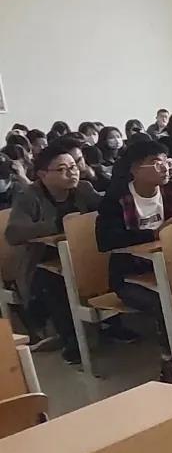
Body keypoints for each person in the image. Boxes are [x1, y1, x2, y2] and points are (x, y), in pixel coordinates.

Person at [95, 139, 172, 381]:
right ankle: (169, 361)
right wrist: (154, 234)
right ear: (135, 169)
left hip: (171, 268)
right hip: (130, 276)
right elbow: (106, 240)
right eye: (156, 163)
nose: (165, 168)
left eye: (167, 162)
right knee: (163, 302)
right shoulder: (116, 199)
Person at [5, 145, 102, 363]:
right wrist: (55, 225)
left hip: (82, 255)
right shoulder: (29, 196)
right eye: (62, 169)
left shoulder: (84, 188)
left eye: (74, 166)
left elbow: (105, 210)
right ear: (42, 175)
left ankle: (110, 327)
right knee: (54, 282)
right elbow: (13, 233)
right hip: (42, 262)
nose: (72, 172)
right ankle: (71, 341)